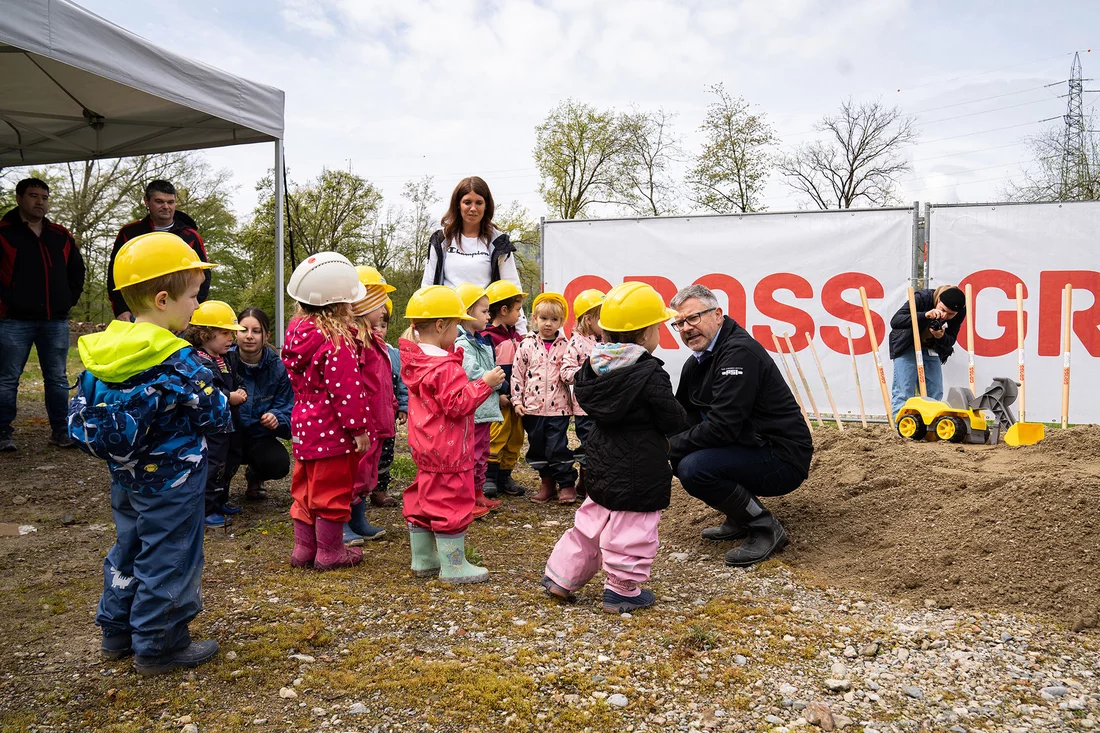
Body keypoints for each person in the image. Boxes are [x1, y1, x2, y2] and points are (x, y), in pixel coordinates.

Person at [66, 231, 229, 675]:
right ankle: (161, 643)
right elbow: (217, 418)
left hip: (125, 477)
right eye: (194, 295)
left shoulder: (102, 352)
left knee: (129, 546)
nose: (197, 306)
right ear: (163, 299)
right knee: (170, 555)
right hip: (174, 483)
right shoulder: (181, 360)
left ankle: (115, 630)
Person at [542, 282, 688, 614]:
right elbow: (671, 418)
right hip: (640, 466)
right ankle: (622, 590)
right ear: (647, 332)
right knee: (633, 527)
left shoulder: (593, 367)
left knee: (591, 521)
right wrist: (686, 419)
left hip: (600, 459)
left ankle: (562, 577)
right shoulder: (650, 373)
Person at [669, 284, 813, 567]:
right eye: (680, 323)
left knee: (694, 468)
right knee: (681, 457)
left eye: (693, 318)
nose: (686, 328)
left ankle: (765, 527)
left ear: (718, 314)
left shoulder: (739, 353)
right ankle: (740, 515)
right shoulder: (697, 361)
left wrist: (667, 447)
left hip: (781, 456)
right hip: (750, 445)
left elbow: (723, 428)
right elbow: (681, 417)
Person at [398, 286, 505, 584]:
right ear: (441, 325)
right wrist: (484, 383)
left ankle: (423, 559)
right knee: (451, 504)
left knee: (421, 500)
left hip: (426, 449)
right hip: (449, 452)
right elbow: (457, 404)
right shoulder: (445, 367)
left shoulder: (416, 361)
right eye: (456, 323)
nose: (458, 329)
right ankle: (454, 566)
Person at [281, 252, 372, 571]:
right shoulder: (336, 342)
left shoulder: (297, 335)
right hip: (332, 431)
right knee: (333, 491)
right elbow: (346, 391)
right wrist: (358, 429)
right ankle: (330, 552)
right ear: (339, 304)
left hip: (304, 427)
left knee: (305, 489)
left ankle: (304, 549)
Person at [0, 177, 86, 451]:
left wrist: (67, 300)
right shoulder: (3, 233)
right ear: (19, 199)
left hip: (55, 320)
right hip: (13, 320)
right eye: (33, 196)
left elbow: (77, 271)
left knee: (58, 378)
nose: (40, 202)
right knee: (7, 378)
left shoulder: (60, 235)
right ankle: (3, 433)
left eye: (44, 197)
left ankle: (62, 431)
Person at [180, 301, 248, 527]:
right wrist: (229, 397)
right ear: (204, 334)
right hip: (213, 426)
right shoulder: (198, 361)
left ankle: (220, 500)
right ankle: (206, 508)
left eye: (231, 333)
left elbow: (237, 380)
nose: (231, 338)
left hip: (230, 423)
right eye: (224, 333)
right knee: (213, 463)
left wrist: (242, 390)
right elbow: (205, 392)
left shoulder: (227, 358)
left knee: (230, 460)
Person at [344, 266, 395, 546]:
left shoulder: (373, 340)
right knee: (354, 471)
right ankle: (341, 522)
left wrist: (392, 404)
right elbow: (354, 383)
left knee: (367, 472)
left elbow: (382, 381)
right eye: (378, 302)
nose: (382, 310)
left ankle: (358, 518)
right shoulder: (354, 341)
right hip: (363, 421)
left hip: (377, 420)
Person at [108, 180, 209, 321]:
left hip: (178, 314)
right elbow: (115, 274)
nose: (166, 207)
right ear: (146, 201)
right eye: (159, 201)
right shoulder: (129, 233)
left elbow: (203, 276)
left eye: (171, 202)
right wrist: (121, 309)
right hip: (136, 313)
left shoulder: (190, 236)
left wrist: (189, 313)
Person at [513, 292, 578, 504]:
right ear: (534, 319)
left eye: (554, 320)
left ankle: (567, 484)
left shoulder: (566, 346)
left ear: (561, 322)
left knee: (557, 447)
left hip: (558, 409)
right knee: (538, 448)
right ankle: (547, 483)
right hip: (532, 409)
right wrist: (517, 401)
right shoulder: (526, 345)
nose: (548, 324)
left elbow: (569, 373)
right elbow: (517, 375)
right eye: (543, 318)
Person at [226, 307, 294, 500]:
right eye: (243, 330)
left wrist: (276, 417)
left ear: (266, 336)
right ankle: (217, 491)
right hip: (226, 435)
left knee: (278, 463)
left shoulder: (278, 368)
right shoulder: (222, 362)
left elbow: (287, 406)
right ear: (235, 333)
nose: (249, 336)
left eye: (256, 331)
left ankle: (256, 474)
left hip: (258, 437)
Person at [454, 282, 505, 515]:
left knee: (482, 453)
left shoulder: (482, 341)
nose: (488, 316)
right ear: (467, 312)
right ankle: (467, 497)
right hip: (474, 411)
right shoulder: (462, 343)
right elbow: (470, 372)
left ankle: (478, 491)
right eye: (484, 311)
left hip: (485, 410)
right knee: (471, 454)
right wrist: (492, 379)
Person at [888, 285, 966, 416]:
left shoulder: (960, 312)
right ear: (938, 300)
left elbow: (951, 340)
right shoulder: (922, 298)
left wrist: (941, 336)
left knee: (935, 391)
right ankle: (901, 424)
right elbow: (896, 321)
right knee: (904, 389)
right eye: (943, 310)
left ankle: (931, 422)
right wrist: (924, 315)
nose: (945, 316)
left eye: (951, 314)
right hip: (907, 344)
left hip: (932, 347)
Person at [483, 280, 528, 497]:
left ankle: (505, 475)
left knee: (515, 435)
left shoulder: (517, 336)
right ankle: (489, 476)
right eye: (518, 309)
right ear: (503, 310)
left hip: (517, 398)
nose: (520, 314)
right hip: (499, 398)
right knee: (497, 434)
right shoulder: (488, 337)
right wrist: (499, 393)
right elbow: (487, 369)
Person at [560, 289, 605, 499]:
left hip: (604, 406)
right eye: (601, 317)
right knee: (588, 446)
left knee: (601, 445)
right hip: (584, 408)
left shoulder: (605, 339)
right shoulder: (576, 343)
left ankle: (593, 483)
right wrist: (587, 373)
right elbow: (565, 372)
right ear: (588, 320)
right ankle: (586, 483)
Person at [372, 300, 408, 507]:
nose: (379, 331)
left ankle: (380, 489)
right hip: (368, 414)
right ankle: (362, 488)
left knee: (386, 453)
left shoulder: (393, 353)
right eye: (374, 326)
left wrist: (403, 406)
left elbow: (402, 381)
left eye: (383, 326)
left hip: (388, 413)